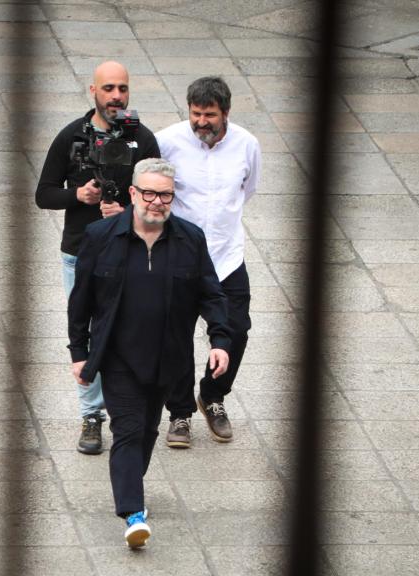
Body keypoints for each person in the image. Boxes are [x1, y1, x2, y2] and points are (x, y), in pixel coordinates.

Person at [67, 158, 231, 548]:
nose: (157, 202)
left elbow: (211, 294)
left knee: (147, 431)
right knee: (127, 430)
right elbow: (81, 300)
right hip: (118, 356)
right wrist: (79, 352)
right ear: (133, 193)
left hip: (167, 357)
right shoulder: (101, 236)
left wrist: (220, 341)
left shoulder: (190, 238)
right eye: (149, 193)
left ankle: (130, 487)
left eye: (165, 195)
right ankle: (133, 514)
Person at [36, 60, 161, 454]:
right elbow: (43, 194)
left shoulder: (142, 138)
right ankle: (91, 415)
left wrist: (127, 213)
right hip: (80, 253)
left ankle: (128, 407)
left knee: (130, 327)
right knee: (84, 329)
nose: (116, 96)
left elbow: (161, 198)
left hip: (131, 250)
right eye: (108, 88)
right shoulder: (72, 136)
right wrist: (78, 195)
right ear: (93, 91)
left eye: (122, 88)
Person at [155, 76, 261, 447]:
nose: (201, 122)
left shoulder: (247, 145)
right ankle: (179, 413)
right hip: (180, 259)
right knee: (175, 338)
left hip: (227, 258)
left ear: (225, 112)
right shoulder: (167, 142)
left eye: (210, 115)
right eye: (196, 114)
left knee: (237, 330)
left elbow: (248, 190)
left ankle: (213, 396)